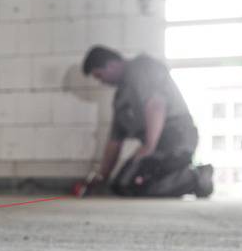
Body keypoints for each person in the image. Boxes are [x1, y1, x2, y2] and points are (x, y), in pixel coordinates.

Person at [80, 45, 213, 198]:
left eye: (99, 75)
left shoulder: (141, 67)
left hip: (176, 137)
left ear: (111, 65)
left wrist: (149, 147)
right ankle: (178, 179)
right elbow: (114, 143)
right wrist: (101, 178)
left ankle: (195, 178)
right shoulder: (120, 98)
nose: (101, 82)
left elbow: (156, 104)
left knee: (136, 185)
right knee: (119, 186)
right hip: (156, 144)